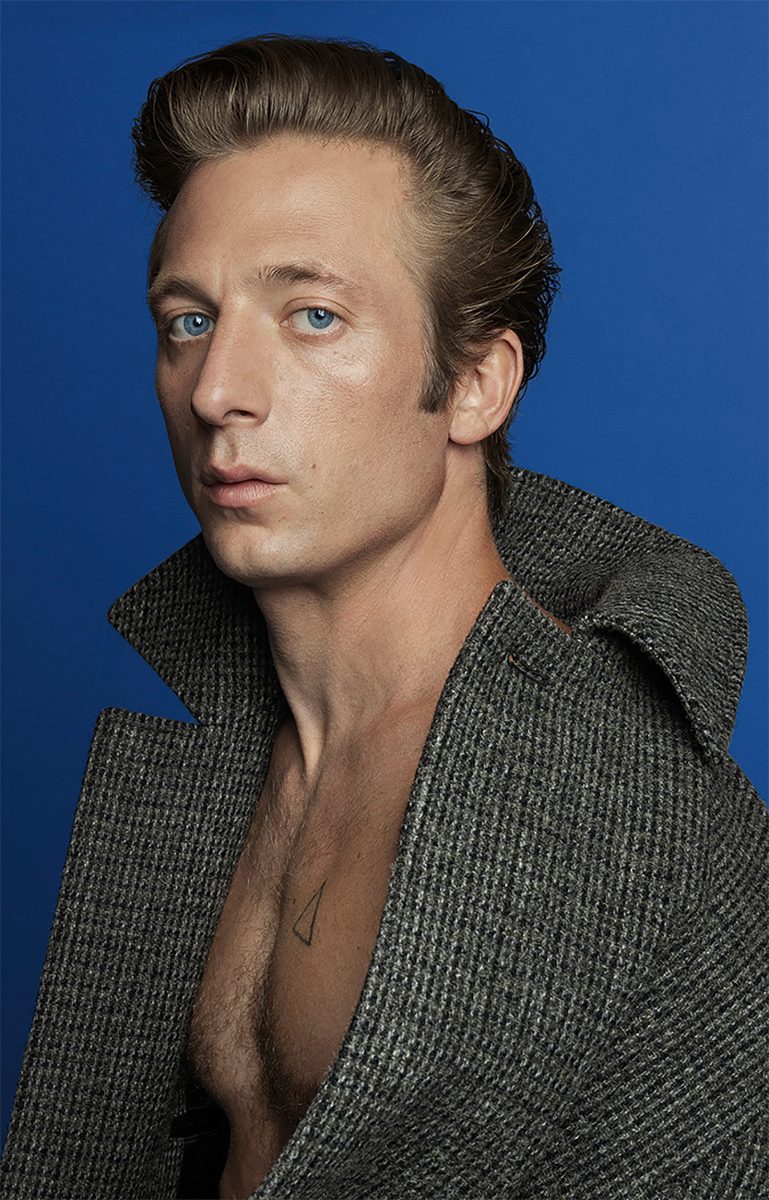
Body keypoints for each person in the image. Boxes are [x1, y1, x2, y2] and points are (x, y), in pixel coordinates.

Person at [1, 33, 766, 1200]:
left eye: (311, 315)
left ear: (474, 383)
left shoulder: (649, 827)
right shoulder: (213, 759)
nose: (218, 391)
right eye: (188, 320)